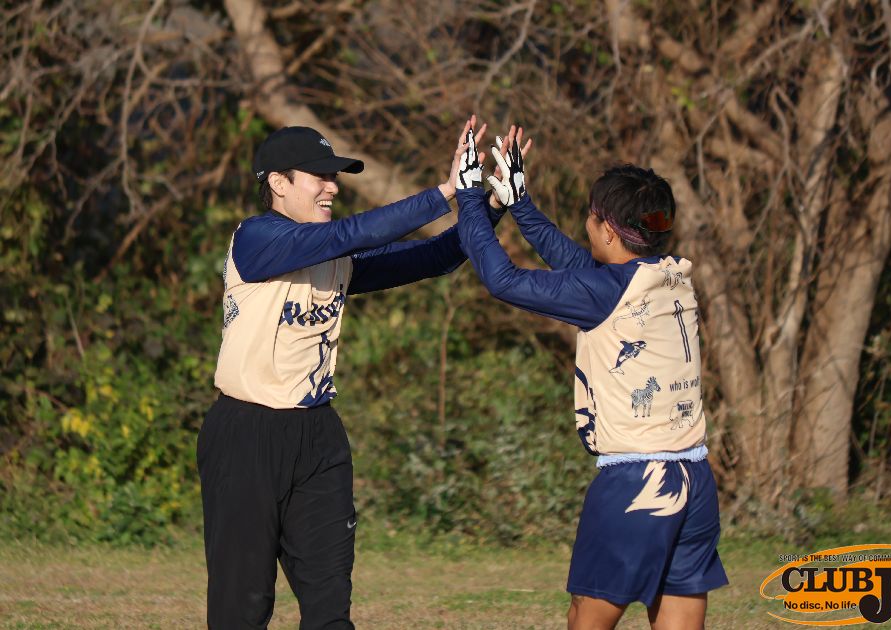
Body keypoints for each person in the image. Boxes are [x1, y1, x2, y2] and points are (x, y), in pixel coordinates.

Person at [197, 119, 497, 629]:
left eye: (333, 176)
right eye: (319, 176)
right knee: (240, 613)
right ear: (278, 183)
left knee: (330, 612)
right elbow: (350, 233)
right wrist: (445, 190)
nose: (332, 187)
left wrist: (490, 203)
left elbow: (437, 256)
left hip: (318, 438)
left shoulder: (334, 256)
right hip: (246, 436)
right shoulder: (255, 238)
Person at [456, 126, 728, 630]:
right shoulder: (670, 276)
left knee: (587, 614)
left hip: (638, 482)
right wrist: (520, 205)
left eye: (591, 216)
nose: (587, 224)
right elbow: (583, 268)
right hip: (695, 478)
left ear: (607, 231)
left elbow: (502, 280)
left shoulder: (604, 292)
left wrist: (471, 198)